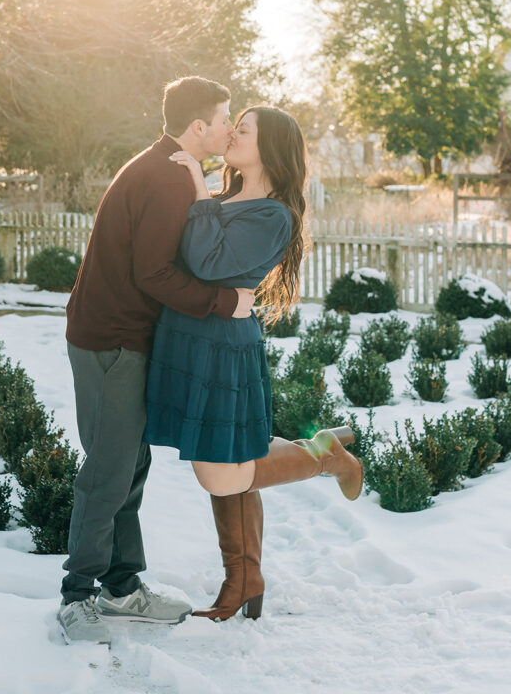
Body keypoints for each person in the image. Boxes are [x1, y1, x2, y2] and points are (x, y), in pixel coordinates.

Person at [143, 105, 363, 622]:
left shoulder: (272, 214)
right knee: (231, 465)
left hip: (223, 346)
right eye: (234, 125)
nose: (233, 133)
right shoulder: (223, 198)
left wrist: (196, 184)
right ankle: (243, 580)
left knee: (222, 475)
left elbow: (207, 262)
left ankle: (322, 453)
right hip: (189, 339)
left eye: (245, 130)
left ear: (272, 148)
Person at [58, 76, 256, 646]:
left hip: (126, 339)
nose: (229, 127)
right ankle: (77, 597)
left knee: (131, 466)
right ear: (198, 126)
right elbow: (155, 273)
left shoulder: (169, 168)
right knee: (109, 472)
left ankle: (123, 587)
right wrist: (226, 304)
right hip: (111, 343)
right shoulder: (165, 176)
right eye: (223, 119)